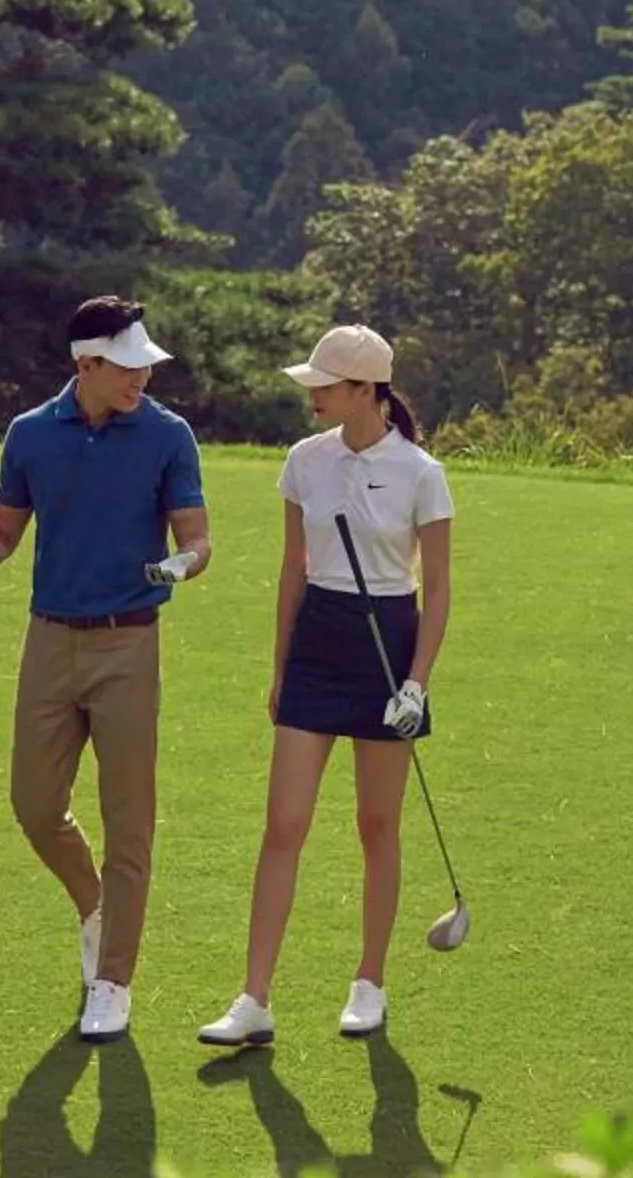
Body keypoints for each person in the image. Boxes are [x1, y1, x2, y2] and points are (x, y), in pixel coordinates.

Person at [0, 295, 210, 1043]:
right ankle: (95, 906)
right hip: (50, 641)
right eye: (128, 368)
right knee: (33, 804)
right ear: (85, 365)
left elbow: (198, 539)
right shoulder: (31, 435)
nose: (143, 380)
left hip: (130, 641)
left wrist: (178, 567)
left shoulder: (167, 436)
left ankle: (114, 980)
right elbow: (3, 534)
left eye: (146, 367)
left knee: (130, 820)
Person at [199, 323, 453, 1046]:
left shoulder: (420, 472)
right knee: (284, 823)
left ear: (365, 390)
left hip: (387, 645)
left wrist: (417, 683)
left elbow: (435, 592)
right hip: (318, 640)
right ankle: (254, 999)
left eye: (325, 386)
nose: (312, 396)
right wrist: (279, 669)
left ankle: (369, 982)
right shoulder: (304, 462)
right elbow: (291, 571)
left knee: (376, 826)